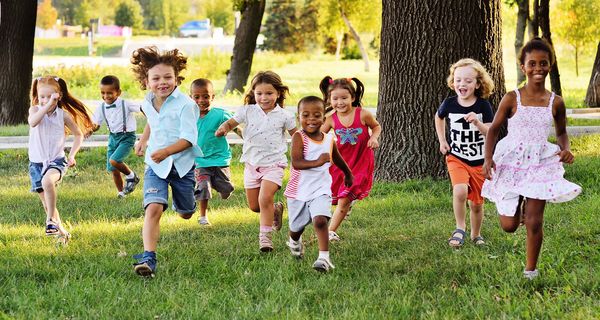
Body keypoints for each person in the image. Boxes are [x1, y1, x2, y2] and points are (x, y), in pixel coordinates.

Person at [481, 38, 582, 280]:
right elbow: (494, 129)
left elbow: (561, 132)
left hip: (540, 163)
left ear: (550, 65)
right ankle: (518, 205)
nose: (538, 68)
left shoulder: (555, 102)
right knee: (509, 226)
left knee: (535, 222)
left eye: (543, 63)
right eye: (532, 63)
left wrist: (564, 149)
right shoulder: (512, 98)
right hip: (512, 160)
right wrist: (487, 159)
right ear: (523, 67)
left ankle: (530, 270)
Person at [130, 47, 201, 277]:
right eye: (156, 78)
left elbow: (189, 139)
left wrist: (166, 151)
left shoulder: (187, 105)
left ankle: (186, 202)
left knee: (187, 213)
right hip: (156, 165)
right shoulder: (148, 101)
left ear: (177, 78)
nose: (163, 82)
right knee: (153, 208)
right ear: (146, 81)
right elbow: (153, 120)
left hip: (181, 165)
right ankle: (148, 258)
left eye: (168, 77)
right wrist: (143, 139)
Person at [216, 71, 297, 252]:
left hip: (274, 165)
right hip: (252, 165)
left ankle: (265, 239)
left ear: (278, 93)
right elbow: (231, 123)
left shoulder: (284, 115)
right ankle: (275, 209)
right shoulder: (247, 111)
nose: (264, 97)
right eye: (259, 93)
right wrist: (223, 128)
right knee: (255, 206)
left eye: (269, 93)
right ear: (253, 93)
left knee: (264, 198)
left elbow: (297, 136)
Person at [285, 96, 353, 272]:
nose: (311, 120)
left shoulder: (329, 139)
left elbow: (336, 158)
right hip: (298, 191)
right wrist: (317, 161)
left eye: (316, 115)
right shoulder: (299, 137)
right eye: (305, 115)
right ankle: (294, 240)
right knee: (296, 227)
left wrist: (347, 173)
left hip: (321, 189)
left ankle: (324, 258)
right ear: (298, 117)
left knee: (320, 220)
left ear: (324, 118)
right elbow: (297, 163)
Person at [434, 58, 495, 247]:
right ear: (453, 82)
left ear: (478, 84)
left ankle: (476, 234)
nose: (462, 84)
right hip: (457, 157)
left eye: (468, 81)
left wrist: (477, 122)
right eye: (458, 80)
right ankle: (460, 227)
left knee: (476, 204)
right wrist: (443, 141)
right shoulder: (449, 103)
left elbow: (491, 131)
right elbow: (439, 117)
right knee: (459, 191)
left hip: (478, 161)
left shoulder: (483, 106)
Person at [28, 76, 95, 244]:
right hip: (36, 163)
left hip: (56, 161)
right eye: (42, 96)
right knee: (47, 203)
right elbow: (33, 123)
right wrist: (47, 105)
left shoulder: (62, 115)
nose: (45, 100)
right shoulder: (35, 110)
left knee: (48, 182)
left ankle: (50, 220)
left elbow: (78, 135)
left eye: (49, 96)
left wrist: (72, 155)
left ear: (59, 95)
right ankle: (62, 232)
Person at [319, 76, 381, 241]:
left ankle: (330, 231)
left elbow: (376, 126)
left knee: (344, 199)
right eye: (335, 98)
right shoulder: (331, 118)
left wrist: (373, 138)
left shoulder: (362, 114)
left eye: (344, 98)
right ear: (329, 99)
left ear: (353, 98)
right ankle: (347, 203)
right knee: (336, 193)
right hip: (340, 162)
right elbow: (320, 136)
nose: (340, 102)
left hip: (361, 161)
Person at [190, 78, 241, 226]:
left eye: (206, 96)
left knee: (226, 188)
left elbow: (235, 125)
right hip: (200, 160)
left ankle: (223, 190)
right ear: (190, 97)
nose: (201, 100)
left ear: (213, 97)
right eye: (196, 97)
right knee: (203, 187)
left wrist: (245, 137)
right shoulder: (188, 116)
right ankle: (203, 216)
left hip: (220, 159)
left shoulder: (220, 114)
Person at [91, 75, 141, 198]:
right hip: (113, 137)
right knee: (113, 169)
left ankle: (131, 176)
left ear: (118, 92)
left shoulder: (126, 104)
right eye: (103, 93)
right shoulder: (101, 107)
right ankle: (121, 192)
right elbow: (96, 123)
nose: (105, 96)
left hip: (127, 137)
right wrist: (91, 129)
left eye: (109, 93)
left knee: (114, 161)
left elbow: (142, 108)